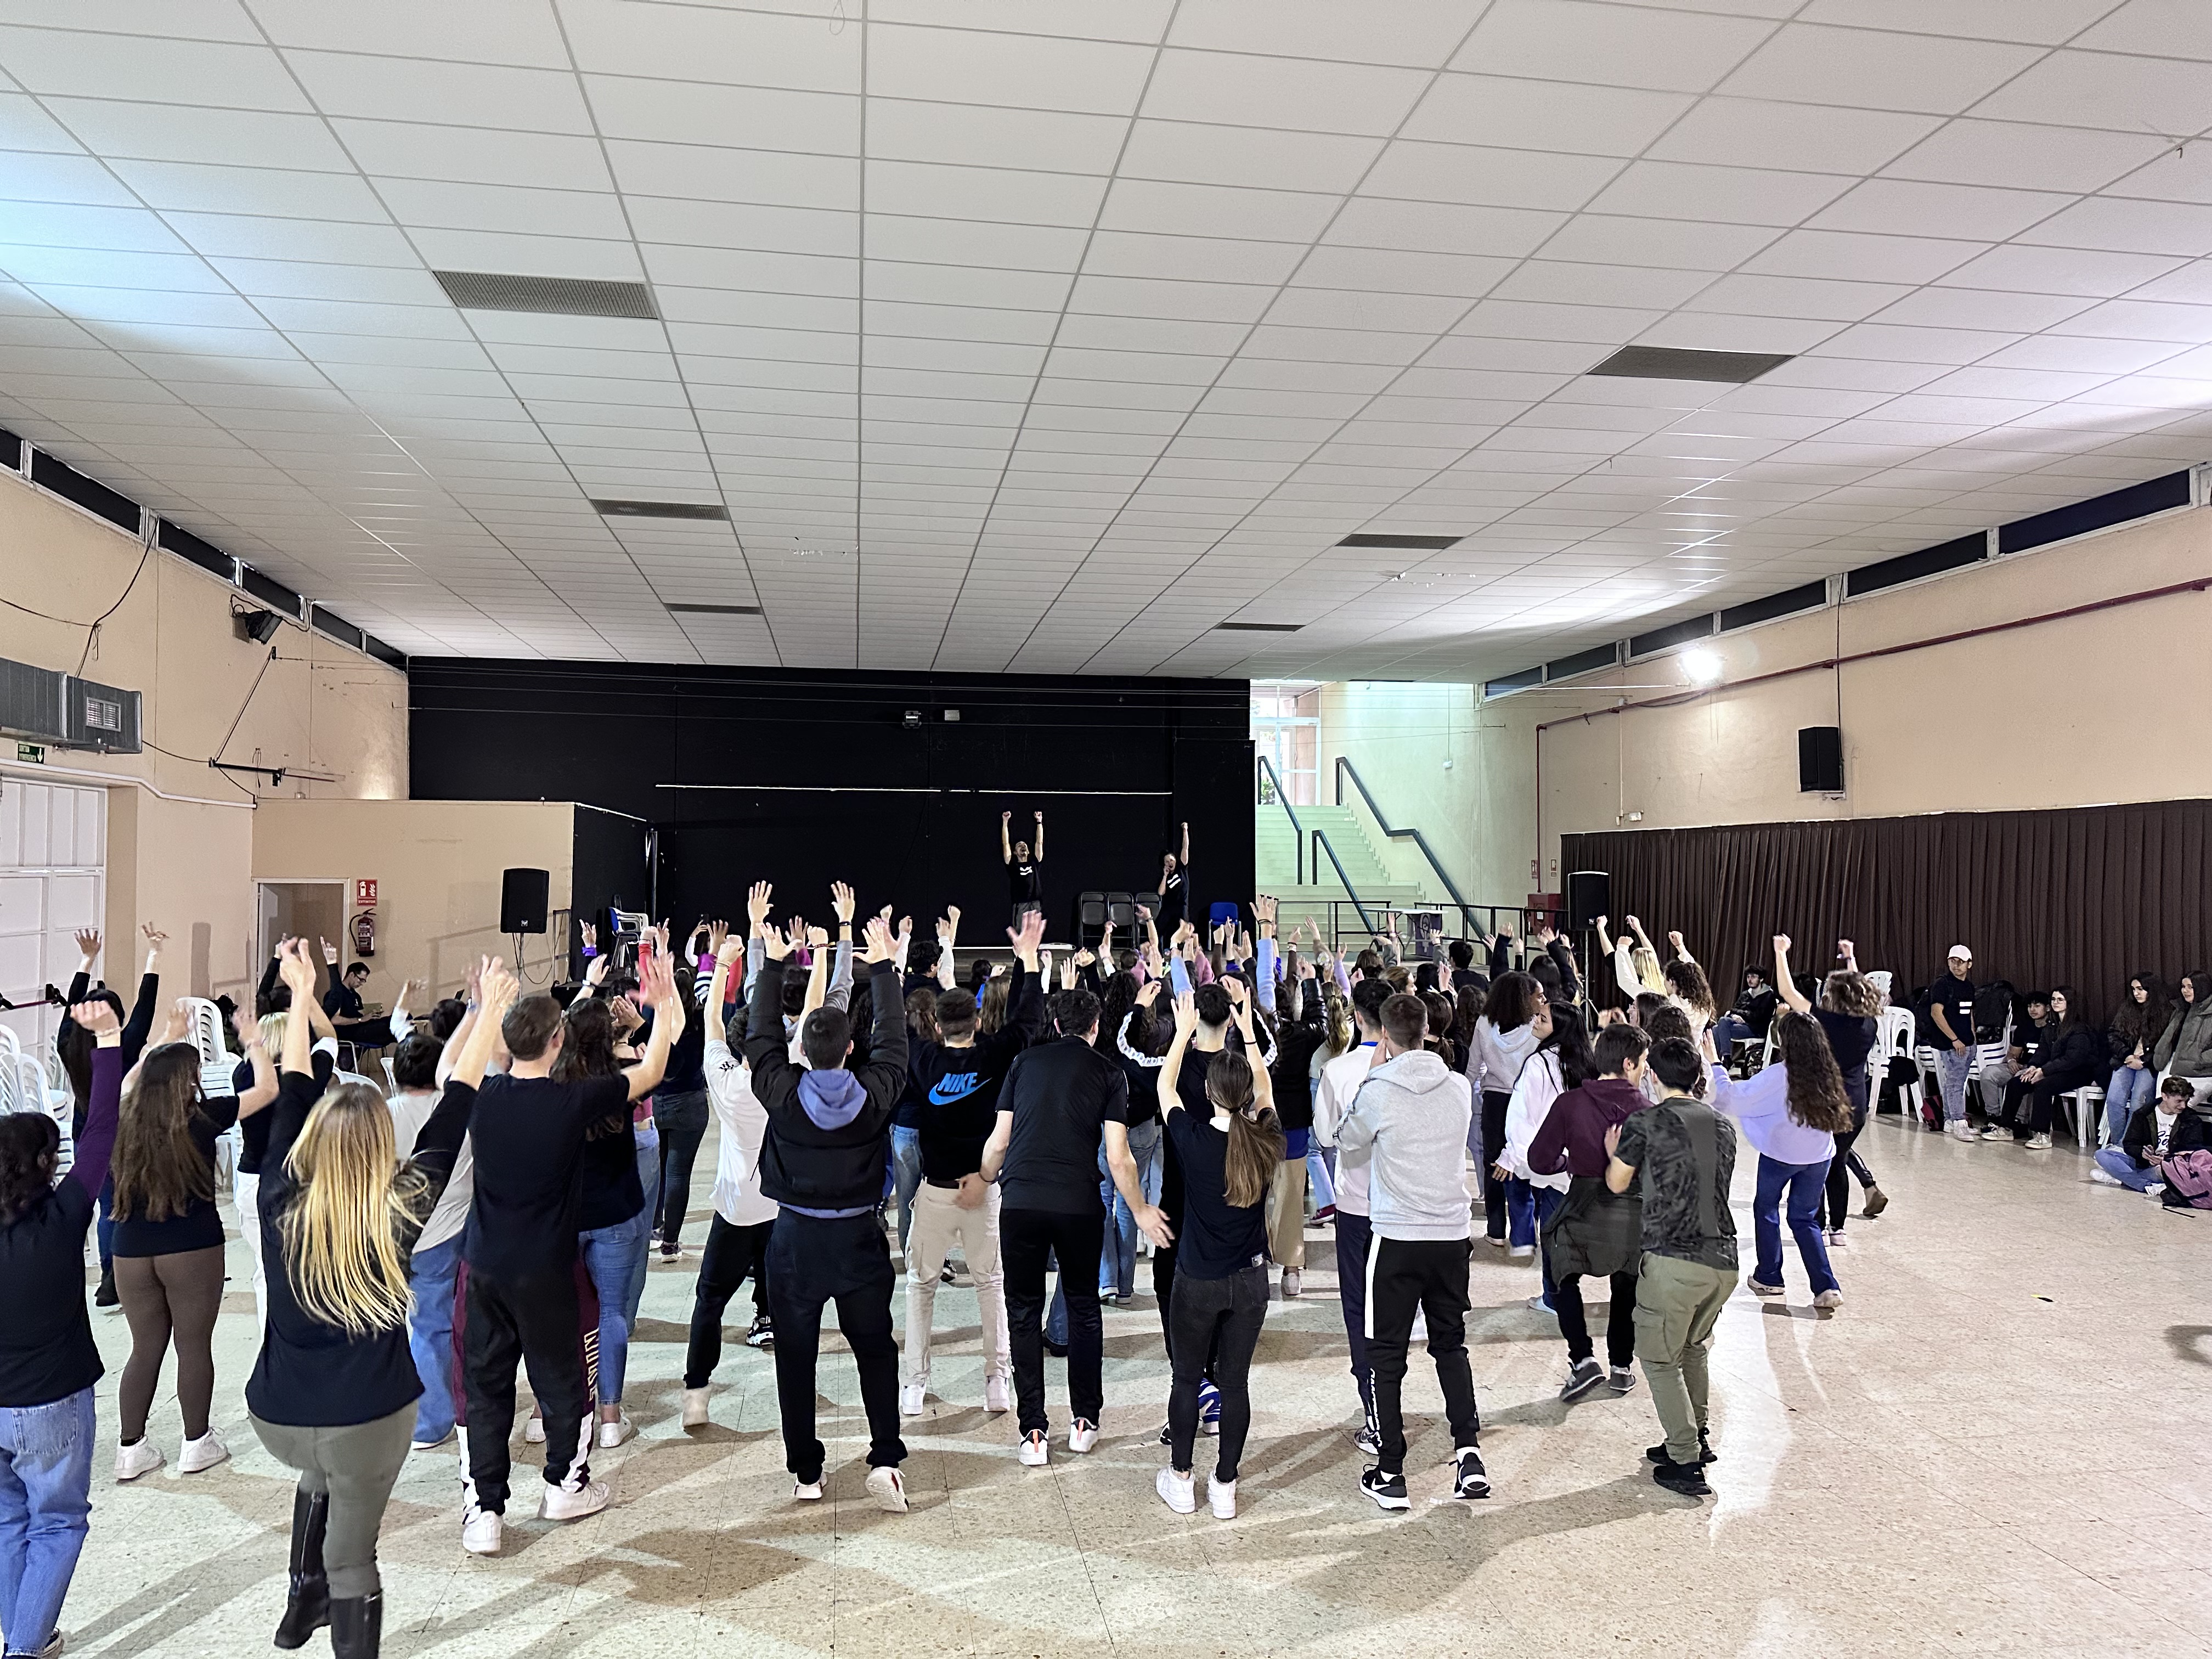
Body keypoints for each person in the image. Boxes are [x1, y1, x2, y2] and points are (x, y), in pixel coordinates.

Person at [250, 942, 507, 1659]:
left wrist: (302, 994)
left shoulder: (278, 1198)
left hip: (280, 1413)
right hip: (366, 1414)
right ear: (379, 1150)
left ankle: (301, 1599)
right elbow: (457, 1106)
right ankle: (324, 1599)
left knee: (318, 1465)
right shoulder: (401, 1208)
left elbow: (297, 1085)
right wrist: (489, 1012)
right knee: (355, 1557)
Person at [455, 947, 679, 1556]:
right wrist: (666, 1003)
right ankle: (563, 1484)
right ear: (557, 1043)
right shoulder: (571, 1102)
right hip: (546, 1269)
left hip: (484, 1266)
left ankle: (484, 1512)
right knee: (563, 1385)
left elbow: (463, 1061)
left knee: (486, 1388)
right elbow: (655, 1066)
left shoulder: (483, 1095)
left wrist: (483, 1006)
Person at [741, 890, 912, 1512]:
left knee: (796, 1354)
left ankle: (806, 1473)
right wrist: (886, 966)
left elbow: (759, 1036)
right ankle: (887, 1457)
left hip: (795, 1243)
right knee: (874, 1349)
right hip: (860, 1241)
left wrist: (771, 956)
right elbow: (894, 1042)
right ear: (848, 1048)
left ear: (804, 1052)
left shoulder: (781, 1093)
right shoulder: (874, 1092)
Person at [983, 984, 1159, 1466]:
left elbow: (999, 1143)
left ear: (1056, 1025)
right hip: (1079, 1204)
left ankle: (1033, 1432)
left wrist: (984, 1175)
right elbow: (1119, 1157)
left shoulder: (1023, 1064)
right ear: (1096, 1027)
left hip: (1021, 1201)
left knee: (1023, 1312)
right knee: (1083, 1309)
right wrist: (1141, 1209)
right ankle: (1084, 1422)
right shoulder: (1109, 1072)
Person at [0, 998, 122, 1659]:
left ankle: (31, 1633)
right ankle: (22, 1650)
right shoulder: (64, 1219)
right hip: (50, 1402)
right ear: (47, 1167)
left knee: (7, 1518)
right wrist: (107, 1040)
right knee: (57, 1523)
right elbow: (102, 1127)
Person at [110, 996, 276, 1481]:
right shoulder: (204, 1116)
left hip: (130, 1249)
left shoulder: (127, 1119)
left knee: (144, 1348)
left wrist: (164, 1038)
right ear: (189, 1083)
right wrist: (253, 1041)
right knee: (193, 1344)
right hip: (191, 1244)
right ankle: (195, 1442)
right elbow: (267, 1088)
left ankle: (130, 1448)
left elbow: (129, 1082)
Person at [1335, 991, 1485, 1510]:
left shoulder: (1378, 1088)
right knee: (1451, 1345)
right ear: (1426, 1030)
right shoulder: (1459, 1087)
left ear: (1385, 1035)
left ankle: (1392, 1470)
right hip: (1450, 1237)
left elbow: (1346, 1140)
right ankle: (1468, 1452)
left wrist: (1375, 1071)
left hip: (1397, 1237)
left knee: (1385, 1354)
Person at [901, 913, 1046, 1417]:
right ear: (979, 1021)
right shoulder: (996, 1055)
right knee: (991, 1285)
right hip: (985, 1189)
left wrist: (896, 961)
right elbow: (1028, 1021)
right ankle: (995, 1383)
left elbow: (893, 1024)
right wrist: (1027, 961)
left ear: (938, 1027)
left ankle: (915, 1386)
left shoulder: (923, 1062)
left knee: (920, 1288)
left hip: (936, 1192)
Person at [1151, 991, 1281, 1519]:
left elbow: (1163, 1086)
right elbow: (1267, 1088)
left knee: (1187, 1379)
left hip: (1198, 1279)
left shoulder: (1193, 1139)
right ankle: (1225, 1485)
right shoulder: (1265, 1139)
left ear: (1206, 1093)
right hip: (1250, 1283)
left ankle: (1181, 1478)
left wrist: (1182, 1033)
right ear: (1246, 1096)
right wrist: (1247, 1031)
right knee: (1236, 1383)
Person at [1604, 1036, 1737, 1497]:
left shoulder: (1646, 1122)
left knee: (1659, 1359)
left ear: (1654, 1076)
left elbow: (1618, 1182)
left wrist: (1612, 1152)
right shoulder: (1722, 1126)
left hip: (1674, 1260)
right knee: (1693, 1349)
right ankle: (1696, 1435)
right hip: (1724, 1260)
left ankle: (1685, 1460)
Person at [1528, 1023, 1651, 1402]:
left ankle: (1582, 1358)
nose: (1646, 1070)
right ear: (1629, 1064)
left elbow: (1538, 1158)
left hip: (1582, 1203)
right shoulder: (1646, 1111)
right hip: (1632, 1209)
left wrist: (1566, 1162)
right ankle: (1621, 1365)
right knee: (1626, 1285)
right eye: (1644, 1063)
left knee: (1560, 1272)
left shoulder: (1570, 1103)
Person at [684, 934, 777, 1425]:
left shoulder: (727, 1081)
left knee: (710, 1301)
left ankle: (696, 1393)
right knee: (784, 1300)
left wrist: (722, 963)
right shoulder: (788, 1077)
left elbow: (712, 1020)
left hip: (736, 1210)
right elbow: (811, 1016)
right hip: (781, 1209)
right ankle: (792, 1388)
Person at [1709, 1011, 1852, 1311]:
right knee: (1805, 1219)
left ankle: (1770, 1276)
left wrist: (1717, 1067)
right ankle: (1826, 1286)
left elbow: (1732, 1099)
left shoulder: (1779, 1075)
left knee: (1766, 1208)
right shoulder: (1828, 1071)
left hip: (1781, 1156)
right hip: (1819, 1157)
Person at [382, 1031, 472, 1453]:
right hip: (444, 1231)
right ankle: (431, 1421)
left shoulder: (382, 1114)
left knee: (397, 1323)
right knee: (434, 1325)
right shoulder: (453, 1111)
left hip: (389, 1232)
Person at [1311, 976, 1390, 1453]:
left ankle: (1374, 1407)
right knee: (1396, 1309)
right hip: (1402, 1208)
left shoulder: (1339, 1071)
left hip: (1356, 1205)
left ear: (1356, 1016)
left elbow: (1324, 1134)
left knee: (1359, 1309)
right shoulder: (1410, 1069)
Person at [1771, 938, 1880, 1246]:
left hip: (1828, 1100)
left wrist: (1780, 954)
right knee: (1839, 1159)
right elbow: (1857, 987)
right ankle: (1839, 1229)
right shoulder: (1868, 1024)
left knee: (1820, 1160)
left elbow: (1788, 993)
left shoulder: (1825, 1021)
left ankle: (1818, 1223)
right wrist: (1851, 959)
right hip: (1857, 1102)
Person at [1500, 1001, 1593, 1311]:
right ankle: (1562, 1292)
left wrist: (1515, 1155)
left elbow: (1521, 1116)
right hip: (1576, 1162)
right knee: (1564, 1233)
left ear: (1561, 1028)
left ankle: (1554, 1297)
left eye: (1543, 1019)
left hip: (1546, 1158)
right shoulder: (1586, 1063)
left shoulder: (1539, 1064)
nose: (1535, 1022)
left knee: (1553, 1233)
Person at [1466, 972, 1544, 1249]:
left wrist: (1463, 1100)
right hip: (1527, 1103)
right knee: (1528, 1163)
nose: (1543, 1001)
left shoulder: (1484, 1024)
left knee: (1493, 1166)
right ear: (1524, 999)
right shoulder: (1537, 1029)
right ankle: (1527, 1228)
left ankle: (1496, 1229)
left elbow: (1473, 1068)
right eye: (1539, 996)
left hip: (1495, 1103)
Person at [2019, 986, 2105, 1150]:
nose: (2055, 1003)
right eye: (2053, 999)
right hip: (2059, 1069)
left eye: (2060, 1000)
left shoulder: (2079, 1028)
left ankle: (2042, 1135)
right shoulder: (2051, 1026)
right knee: (2019, 1081)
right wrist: (2033, 1067)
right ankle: (2006, 1126)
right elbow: (2042, 1051)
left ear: (2069, 1003)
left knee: (2043, 1086)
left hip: (2081, 1072)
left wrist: (2045, 1071)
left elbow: (2073, 1059)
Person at [2094, 1075, 2205, 1192]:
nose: (2183, 1106)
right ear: (2165, 1096)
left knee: (2163, 1172)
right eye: (2179, 1101)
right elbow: (2130, 1144)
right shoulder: (2143, 1114)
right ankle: (2148, 1185)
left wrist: (2167, 1159)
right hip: (2143, 1165)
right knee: (2102, 1155)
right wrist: (2143, 1153)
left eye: (2186, 1101)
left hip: (2169, 1167)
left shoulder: (2192, 1120)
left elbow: (2194, 1151)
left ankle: (2126, 1179)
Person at [2103, 975, 2172, 1145]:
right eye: (2134, 989)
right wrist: (2127, 1054)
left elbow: (2166, 1044)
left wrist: (2144, 1061)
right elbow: (2114, 1035)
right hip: (2126, 1061)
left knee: (2138, 1103)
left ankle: (2126, 1146)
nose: (2136, 993)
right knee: (2114, 1100)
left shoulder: (2166, 1012)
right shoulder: (2127, 1009)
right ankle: (2118, 1143)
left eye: (2140, 989)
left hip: (2149, 1065)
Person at [1925, 945, 1980, 1140]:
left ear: (1969, 964)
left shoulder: (1969, 987)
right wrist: (1954, 1039)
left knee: (1956, 1082)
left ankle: (1949, 1120)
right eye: (1952, 961)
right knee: (1956, 1083)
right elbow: (1936, 1013)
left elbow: (1969, 1014)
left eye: (1961, 962)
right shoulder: (1943, 984)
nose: (1956, 966)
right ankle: (1959, 1122)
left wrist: (1972, 1039)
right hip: (1951, 1043)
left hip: (1967, 1042)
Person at [2152, 972, 2212, 1108]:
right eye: (2183, 986)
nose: (2185, 991)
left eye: (2190, 987)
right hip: (2174, 1064)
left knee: (2179, 1106)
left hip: (2202, 1071)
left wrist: (2198, 1059)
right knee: (2162, 1105)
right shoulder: (2181, 1010)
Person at [1003, 809, 1045, 929]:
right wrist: (1005, 822)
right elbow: (1006, 844)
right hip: (1021, 904)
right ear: (1015, 852)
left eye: (1024, 845)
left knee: (1035, 937)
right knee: (1020, 937)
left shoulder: (1035, 863)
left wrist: (1039, 822)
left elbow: (1039, 843)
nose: (1023, 846)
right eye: (1019, 845)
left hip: (1035, 903)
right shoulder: (1012, 865)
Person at [1155, 822, 1193, 935]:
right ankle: (1157, 950)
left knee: (1184, 930)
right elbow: (1161, 893)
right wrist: (1165, 876)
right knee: (1158, 928)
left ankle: (1183, 949)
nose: (1169, 863)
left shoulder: (1182, 868)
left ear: (1175, 860)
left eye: (1171, 860)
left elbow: (1185, 847)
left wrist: (1185, 831)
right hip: (1169, 906)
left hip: (1182, 905)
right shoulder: (1165, 876)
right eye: (1167, 861)